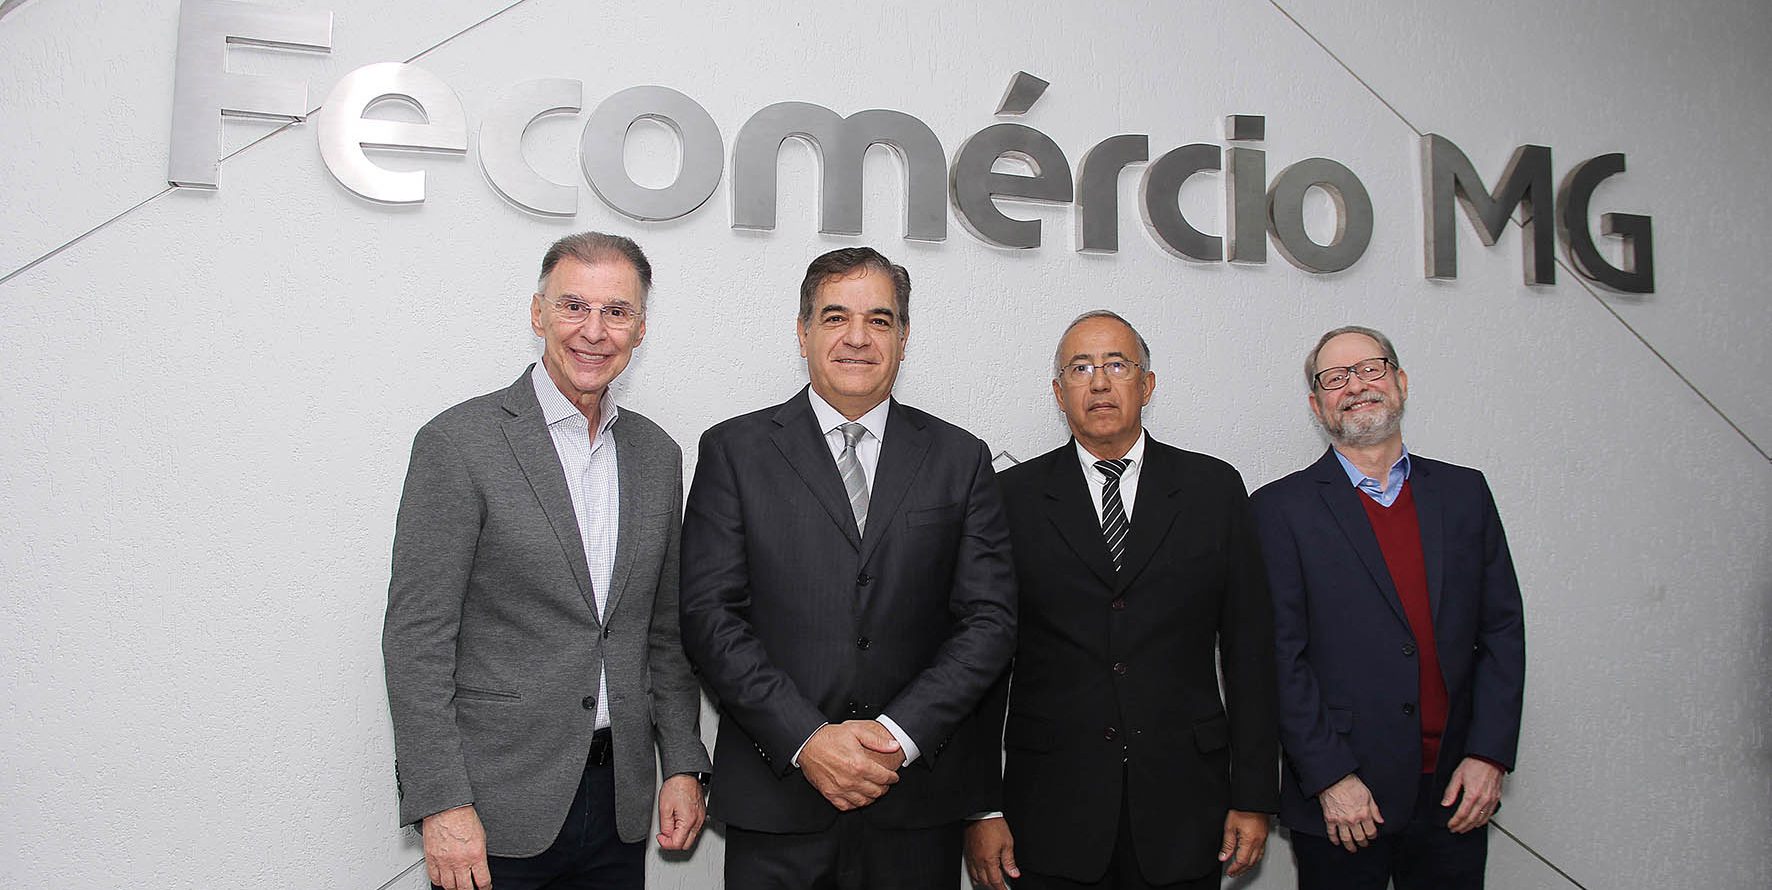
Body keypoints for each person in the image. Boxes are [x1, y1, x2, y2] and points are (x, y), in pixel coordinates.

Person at [678, 246, 1017, 890]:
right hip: (779, 800)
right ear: (803, 331)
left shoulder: (961, 458)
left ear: (904, 337)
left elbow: (989, 622)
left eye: (879, 320)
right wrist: (808, 739)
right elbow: (709, 617)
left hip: (915, 803)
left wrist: (897, 736)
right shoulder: (733, 451)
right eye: (835, 317)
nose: (857, 338)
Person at [382, 232, 712, 890]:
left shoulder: (657, 455)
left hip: (618, 803)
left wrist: (682, 761)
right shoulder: (459, 443)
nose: (594, 331)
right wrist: (441, 801)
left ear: (640, 328)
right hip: (493, 806)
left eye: (616, 311)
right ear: (538, 314)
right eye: (573, 306)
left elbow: (662, 634)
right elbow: (417, 638)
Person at [965, 310, 1279, 890]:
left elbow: (1251, 652)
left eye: (1117, 365)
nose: (1100, 383)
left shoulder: (1213, 490)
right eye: (1081, 368)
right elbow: (982, 659)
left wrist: (1254, 795)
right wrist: (983, 808)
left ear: (1148, 384)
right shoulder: (1010, 497)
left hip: (1187, 806)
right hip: (1051, 807)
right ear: (1059, 392)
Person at [1250, 325, 1526, 890]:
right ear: (1317, 405)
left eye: (1370, 369)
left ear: (1399, 382)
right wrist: (1330, 777)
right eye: (1335, 378)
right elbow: (1277, 658)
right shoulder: (1278, 509)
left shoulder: (1465, 493)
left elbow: (1502, 630)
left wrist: (1489, 756)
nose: (1356, 386)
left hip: (1456, 790)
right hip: (1343, 800)